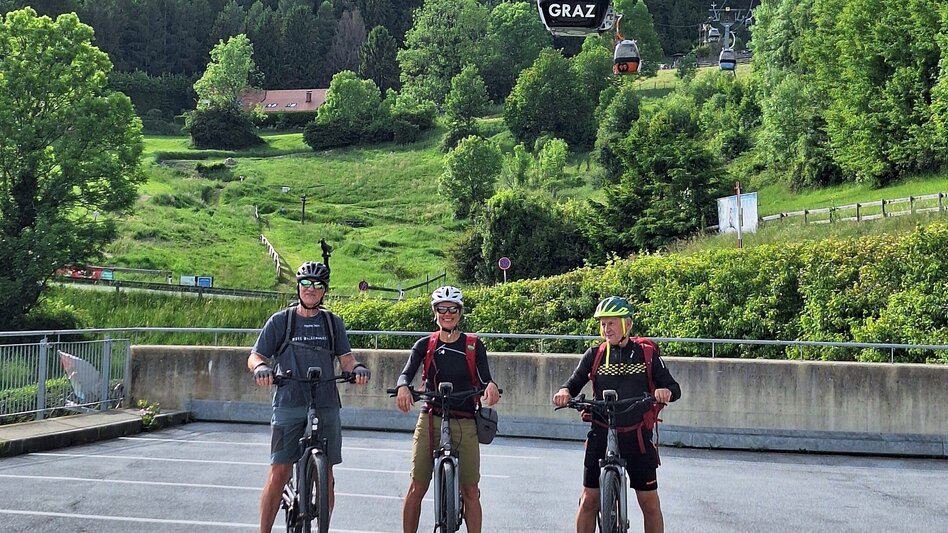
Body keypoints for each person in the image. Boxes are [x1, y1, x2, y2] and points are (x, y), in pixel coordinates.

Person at [247, 261, 370, 533]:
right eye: (305, 283)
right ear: (298, 287)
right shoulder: (281, 321)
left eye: (317, 285)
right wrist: (261, 368)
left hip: (325, 403)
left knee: (327, 475)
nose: (310, 289)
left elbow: (346, 359)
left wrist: (357, 369)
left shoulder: (332, 323)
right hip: (289, 402)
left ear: (324, 290)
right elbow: (256, 355)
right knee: (279, 472)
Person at [552, 296, 681, 533]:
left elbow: (674, 388)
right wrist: (564, 392)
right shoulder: (595, 354)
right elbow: (573, 383)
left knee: (650, 504)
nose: (606, 329)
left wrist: (665, 392)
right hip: (601, 431)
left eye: (611, 323)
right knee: (588, 499)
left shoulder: (646, 354)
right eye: (603, 324)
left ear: (627, 324)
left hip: (636, 435)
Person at [393, 285, 501, 533]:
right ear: (435, 312)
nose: (447, 314)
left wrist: (491, 386)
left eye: (453, 309)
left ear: (460, 312)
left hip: (465, 420)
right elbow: (406, 374)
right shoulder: (425, 344)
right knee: (417, 486)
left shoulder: (473, 345)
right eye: (442, 309)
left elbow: (486, 378)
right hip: (431, 417)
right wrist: (403, 387)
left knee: (471, 490)